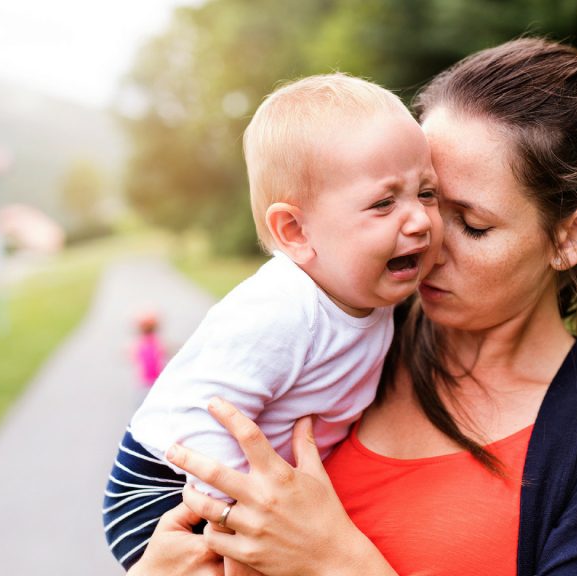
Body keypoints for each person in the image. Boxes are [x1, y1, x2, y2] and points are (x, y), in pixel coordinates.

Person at [121, 37, 577, 576]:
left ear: (570, 237)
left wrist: (337, 563)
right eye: (417, 197)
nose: (422, 236)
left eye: (471, 224)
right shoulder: (346, 337)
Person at [103, 73, 442, 569]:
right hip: (163, 485)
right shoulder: (283, 309)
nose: (419, 221)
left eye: (427, 193)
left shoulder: (375, 292)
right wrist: (242, 513)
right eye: (384, 202)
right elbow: (209, 415)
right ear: (295, 231)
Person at [133, 311, 165, 389]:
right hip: (156, 378)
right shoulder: (156, 342)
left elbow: (135, 357)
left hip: (145, 379)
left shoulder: (140, 343)